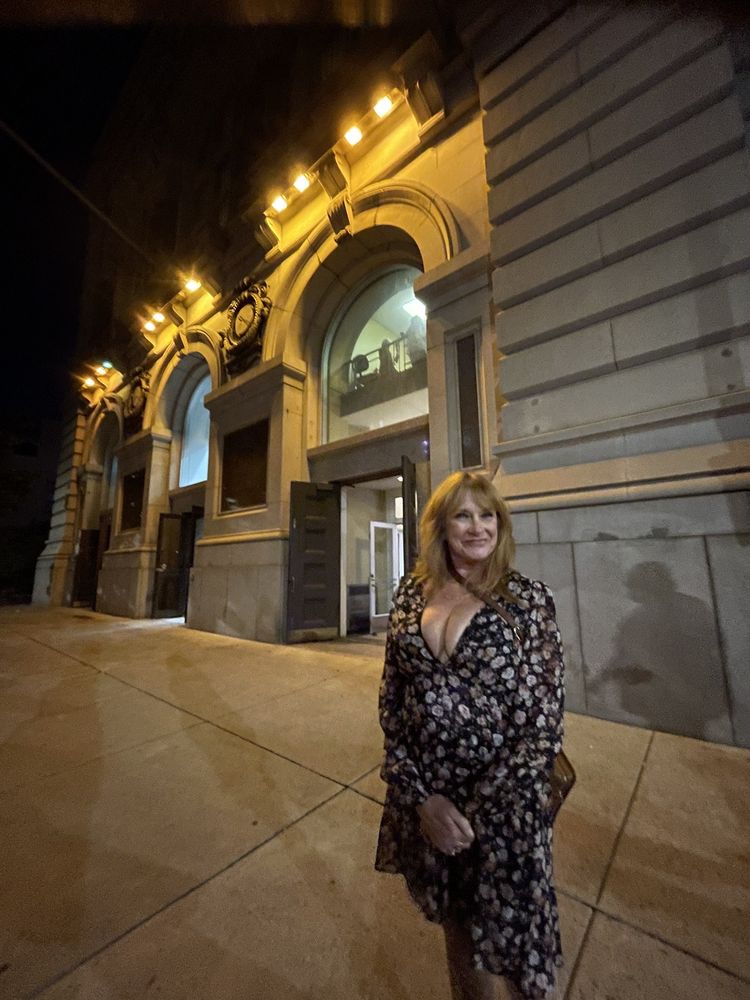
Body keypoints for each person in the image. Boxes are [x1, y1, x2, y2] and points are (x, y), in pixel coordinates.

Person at [375, 471, 564, 1000]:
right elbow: (392, 702)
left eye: (488, 515)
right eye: (463, 515)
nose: (478, 527)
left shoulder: (528, 602)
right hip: (430, 797)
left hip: (503, 808)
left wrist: (469, 814)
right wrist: (422, 799)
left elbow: (542, 728)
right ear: (440, 525)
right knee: (457, 924)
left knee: (516, 947)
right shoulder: (410, 594)